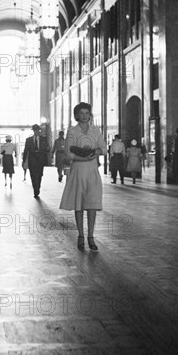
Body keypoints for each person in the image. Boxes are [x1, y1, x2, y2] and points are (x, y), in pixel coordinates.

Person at [60, 102, 107, 251]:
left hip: (92, 171)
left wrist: (94, 152)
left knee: (92, 203)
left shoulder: (95, 130)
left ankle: (91, 236)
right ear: (76, 115)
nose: (84, 116)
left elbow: (104, 148)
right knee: (79, 204)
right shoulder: (72, 131)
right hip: (78, 170)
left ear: (90, 115)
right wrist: (85, 157)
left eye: (87, 113)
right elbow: (68, 153)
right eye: (81, 113)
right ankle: (81, 235)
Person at [22, 124, 50, 199]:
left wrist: (47, 150)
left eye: (37, 130)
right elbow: (26, 151)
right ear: (33, 131)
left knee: (39, 175)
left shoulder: (44, 139)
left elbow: (47, 148)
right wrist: (24, 161)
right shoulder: (28, 140)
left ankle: (38, 187)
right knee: (33, 175)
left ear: (39, 130)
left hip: (40, 160)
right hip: (32, 160)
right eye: (35, 130)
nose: (36, 131)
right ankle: (35, 190)